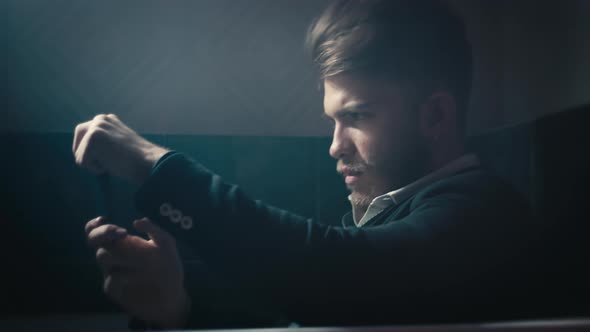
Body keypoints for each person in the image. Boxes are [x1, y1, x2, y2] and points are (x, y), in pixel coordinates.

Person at [74, 0, 532, 329]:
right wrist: (174, 307)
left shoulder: (482, 214)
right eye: (334, 121)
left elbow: (330, 274)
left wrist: (153, 164)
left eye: (356, 116)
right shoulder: (399, 218)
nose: (335, 146)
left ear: (434, 115)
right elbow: (302, 308)